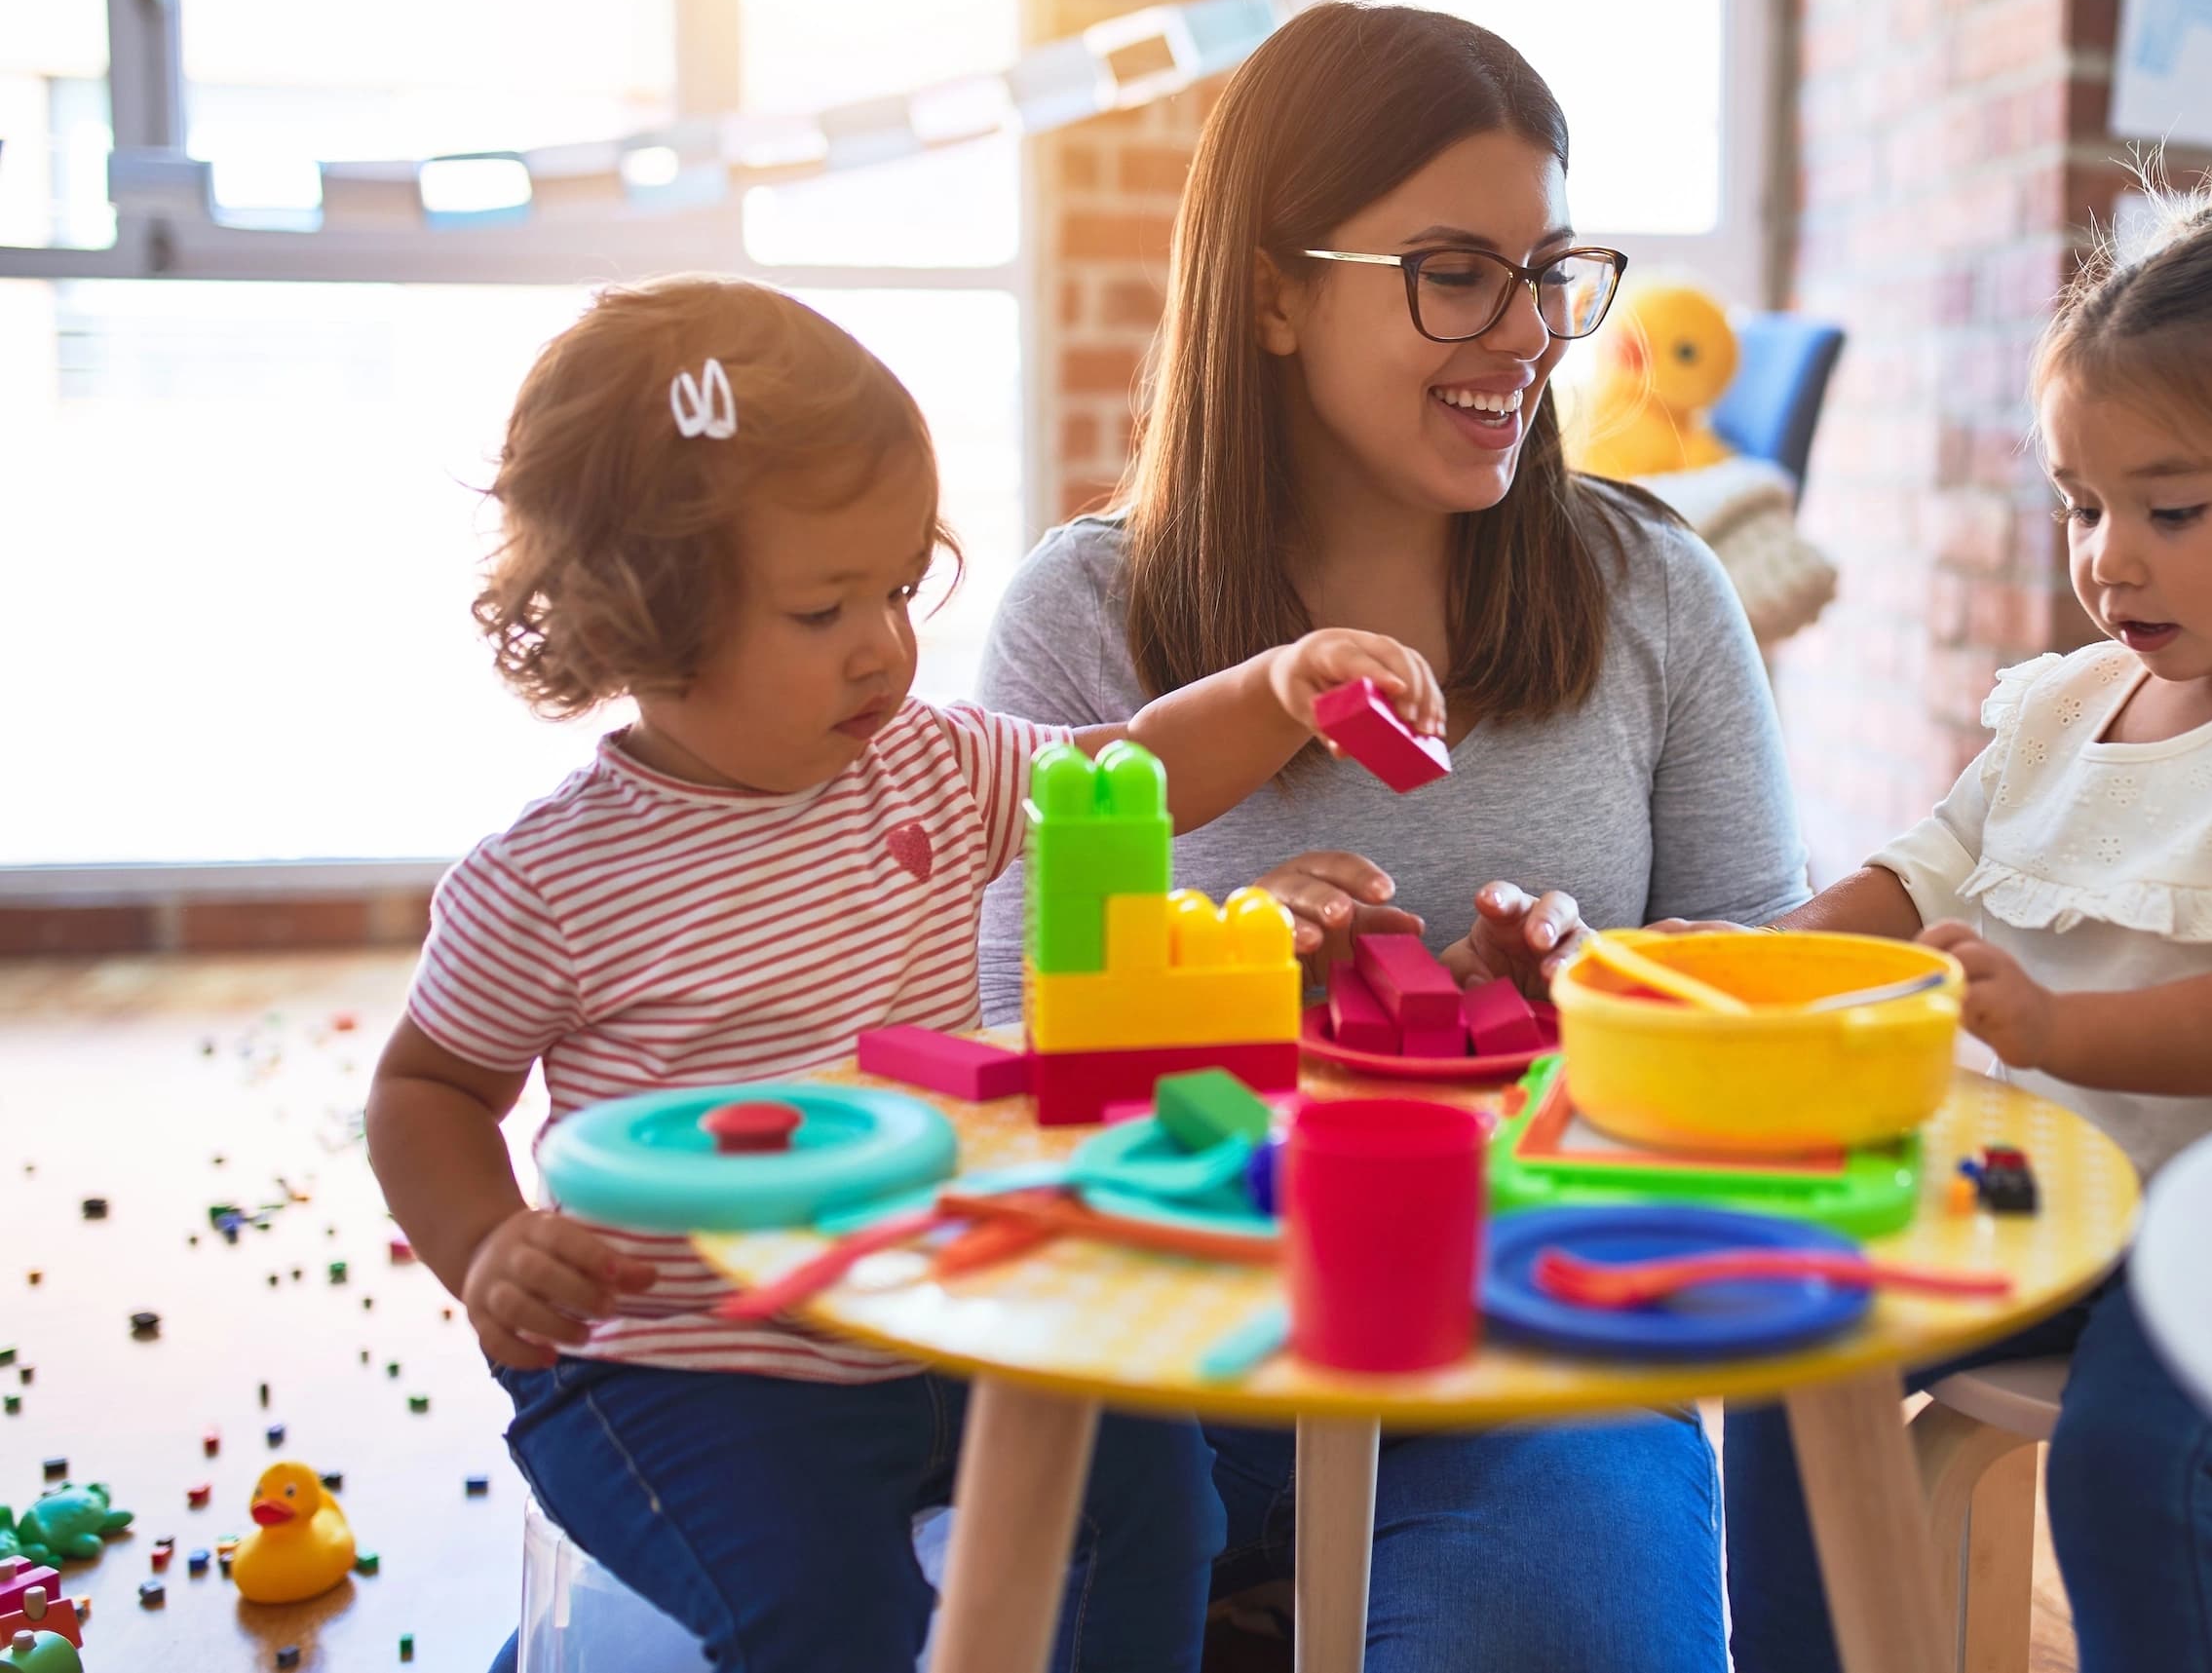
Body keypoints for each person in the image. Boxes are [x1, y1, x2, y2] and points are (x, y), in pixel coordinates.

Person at [362, 275, 1443, 1671]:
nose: (884, 641)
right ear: (643, 616)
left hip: (931, 1304)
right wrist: (487, 1245)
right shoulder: (547, 880)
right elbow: (427, 1088)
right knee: (840, 1617)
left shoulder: (930, 764)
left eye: (896, 585)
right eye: (823, 609)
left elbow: (1132, 777)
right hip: (676, 1365)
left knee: (1158, 1495)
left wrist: (1278, 685)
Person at [977, 1, 1808, 1670]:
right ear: (1274, 290)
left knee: (1571, 1620)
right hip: (1168, 1347)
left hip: (1524, 1354)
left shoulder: (1656, 592)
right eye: (1453, 271)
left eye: (1548, 271)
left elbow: (1756, 975)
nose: (1525, 335)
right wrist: (1222, 989)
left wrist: (1599, 986)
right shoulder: (1083, 614)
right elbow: (1012, 1045)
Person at [1718, 132, 2212, 1671]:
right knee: (1784, 1360)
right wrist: (1745, 957)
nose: (2108, 559)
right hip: (2059, 1199)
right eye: (2083, 505)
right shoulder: (2068, 700)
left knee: (2124, 1468)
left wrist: (2058, 1020)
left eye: (2171, 510)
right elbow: (1919, 869)